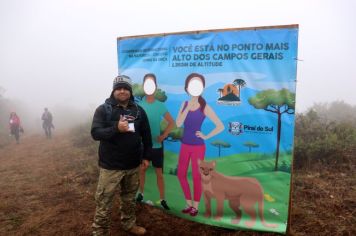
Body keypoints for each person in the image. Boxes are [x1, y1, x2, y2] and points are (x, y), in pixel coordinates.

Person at [91, 75, 152, 236]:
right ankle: (100, 232)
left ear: (130, 91)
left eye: (125, 88)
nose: (122, 91)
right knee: (104, 201)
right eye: (119, 88)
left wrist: (146, 157)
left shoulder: (138, 110)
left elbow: (146, 135)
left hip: (132, 165)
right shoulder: (103, 110)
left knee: (129, 198)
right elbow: (95, 133)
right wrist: (116, 128)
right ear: (113, 91)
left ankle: (128, 224)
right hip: (110, 167)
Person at [175, 73, 224, 216]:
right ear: (187, 87)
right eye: (192, 84)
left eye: (198, 84)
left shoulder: (204, 106)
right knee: (181, 174)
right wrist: (187, 108)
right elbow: (178, 123)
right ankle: (188, 203)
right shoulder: (183, 104)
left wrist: (206, 135)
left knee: (197, 177)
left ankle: (195, 207)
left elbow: (220, 126)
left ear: (202, 88)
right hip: (185, 145)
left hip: (198, 146)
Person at [136, 73, 175, 210]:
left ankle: (163, 199)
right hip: (143, 146)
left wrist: (164, 135)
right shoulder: (139, 106)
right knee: (142, 170)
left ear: (155, 87)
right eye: (147, 83)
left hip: (157, 146)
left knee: (159, 173)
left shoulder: (160, 105)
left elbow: (172, 122)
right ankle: (140, 194)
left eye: (152, 83)